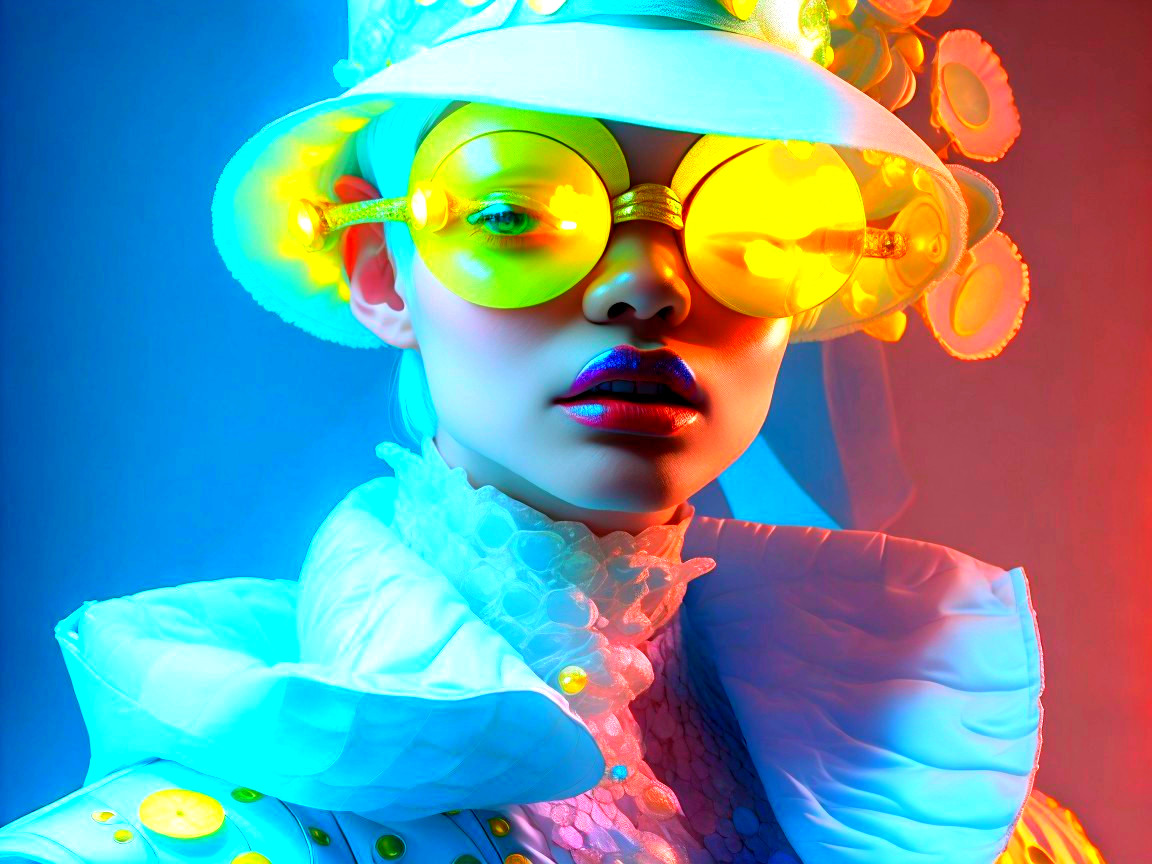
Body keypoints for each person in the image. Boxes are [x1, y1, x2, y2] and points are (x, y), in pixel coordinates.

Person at [0, 1, 1105, 862]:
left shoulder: (996, 831)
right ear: (381, 274)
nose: (647, 285)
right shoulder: (160, 843)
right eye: (515, 211)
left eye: (755, 218)